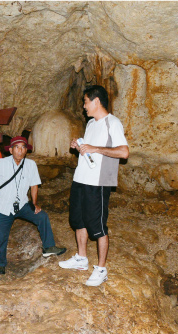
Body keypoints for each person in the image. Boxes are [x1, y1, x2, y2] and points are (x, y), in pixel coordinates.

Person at [58, 85, 129, 286]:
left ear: (96, 101)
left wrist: (96, 148)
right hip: (81, 179)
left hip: (98, 182)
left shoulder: (112, 123)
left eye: (86, 101)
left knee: (97, 225)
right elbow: (89, 150)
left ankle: (101, 269)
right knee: (78, 220)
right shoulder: (90, 124)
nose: (84, 106)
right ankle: (81, 259)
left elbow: (124, 152)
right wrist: (79, 146)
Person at [0, 136, 67, 275]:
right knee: (0, 237)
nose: (20, 150)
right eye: (17, 147)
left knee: (42, 216)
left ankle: (49, 247)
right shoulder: (1, 163)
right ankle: (1, 264)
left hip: (21, 204)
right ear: (10, 150)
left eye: (23, 147)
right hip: (2, 205)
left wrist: (34, 204)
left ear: (26, 150)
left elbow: (34, 185)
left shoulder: (31, 164)